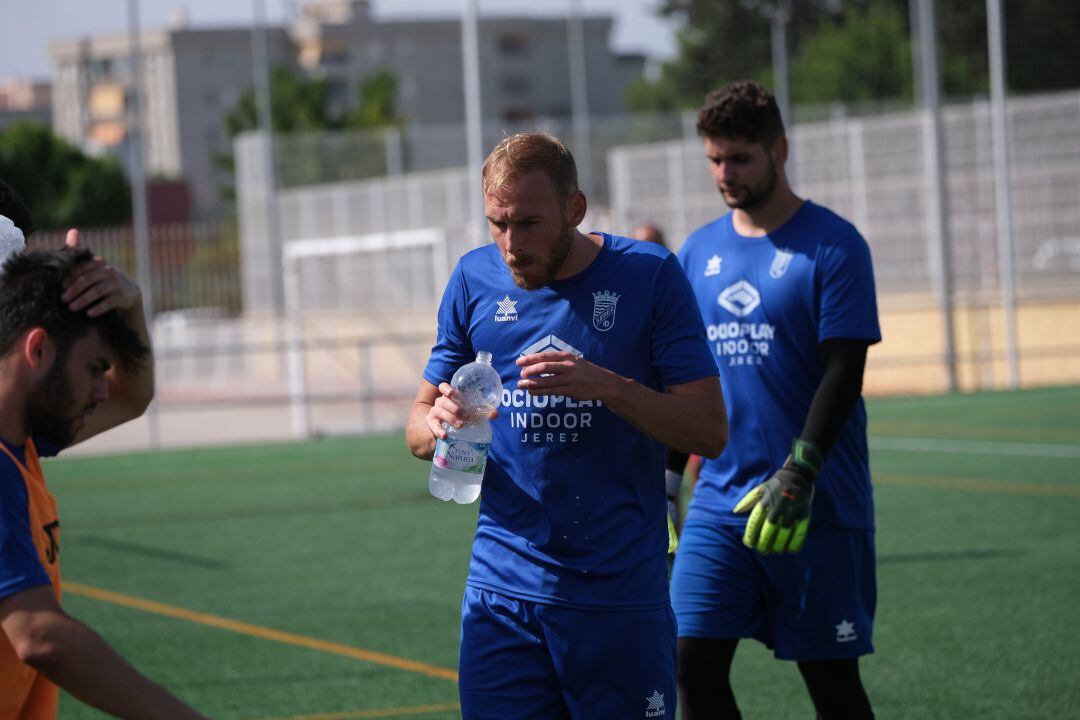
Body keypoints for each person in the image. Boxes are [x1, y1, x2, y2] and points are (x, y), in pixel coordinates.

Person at [406, 132, 727, 719]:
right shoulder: (473, 279)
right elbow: (415, 431)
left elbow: (708, 430)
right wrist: (439, 420)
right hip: (501, 597)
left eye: (528, 223)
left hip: (619, 599)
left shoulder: (649, 275)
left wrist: (603, 384)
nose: (510, 244)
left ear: (575, 209)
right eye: (496, 224)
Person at [668, 81, 881, 720]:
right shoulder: (698, 251)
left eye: (739, 158)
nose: (723, 174)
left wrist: (801, 470)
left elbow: (845, 370)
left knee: (831, 682)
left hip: (814, 500)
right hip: (720, 505)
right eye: (714, 159)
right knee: (688, 665)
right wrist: (668, 476)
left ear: (779, 150)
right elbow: (686, 378)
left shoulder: (834, 245)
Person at [0, 186, 208, 718]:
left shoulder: (19, 441)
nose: (102, 387)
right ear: (38, 348)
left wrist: (130, 304)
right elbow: (40, 636)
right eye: (95, 368)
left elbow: (128, 395)